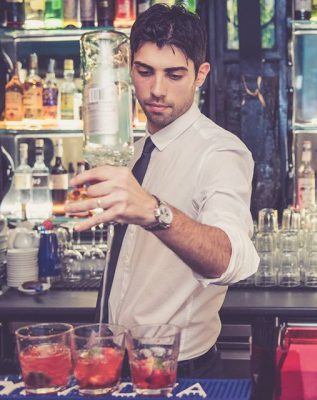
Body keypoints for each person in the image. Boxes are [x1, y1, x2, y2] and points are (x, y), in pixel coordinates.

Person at [65, 4, 259, 378]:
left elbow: (233, 260)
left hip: (180, 371)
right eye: (145, 72)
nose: (157, 90)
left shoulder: (220, 152)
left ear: (200, 74)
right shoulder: (133, 151)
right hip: (115, 360)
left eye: (174, 74)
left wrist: (156, 212)